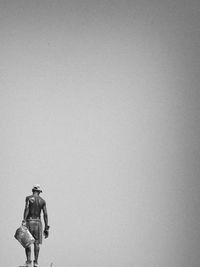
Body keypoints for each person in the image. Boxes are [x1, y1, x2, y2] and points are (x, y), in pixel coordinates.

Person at [22, 184, 50, 267]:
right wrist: (46, 227)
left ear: (32, 190)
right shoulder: (42, 201)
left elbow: (26, 208)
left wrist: (24, 220)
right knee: (36, 243)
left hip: (29, 221)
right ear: (39, 192)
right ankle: (36, 262)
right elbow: (45, 214)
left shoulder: (28, 198)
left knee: (27, 243)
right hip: (38, 223)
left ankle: (28, 261)